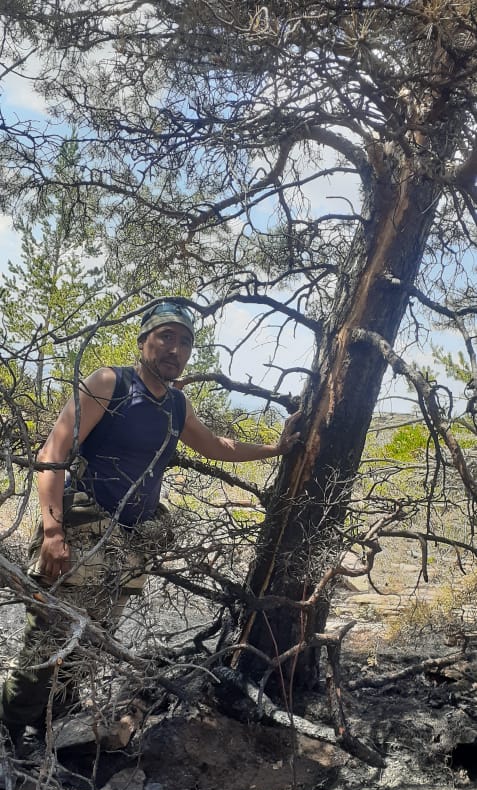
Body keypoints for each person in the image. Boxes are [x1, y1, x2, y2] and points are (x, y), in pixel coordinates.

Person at [1, 299, 301, 746]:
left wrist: (276, 449)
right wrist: (52, 531)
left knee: (87, 644)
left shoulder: (177, 405)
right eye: (165, 337)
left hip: (128, 548)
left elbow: (217, 446)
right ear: (143, 342)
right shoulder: (110, 382)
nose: (173, 350)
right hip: (82, 538)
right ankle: (7, 735)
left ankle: (50, 736)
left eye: (183, 342)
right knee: (47, 646)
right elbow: (53, 452)